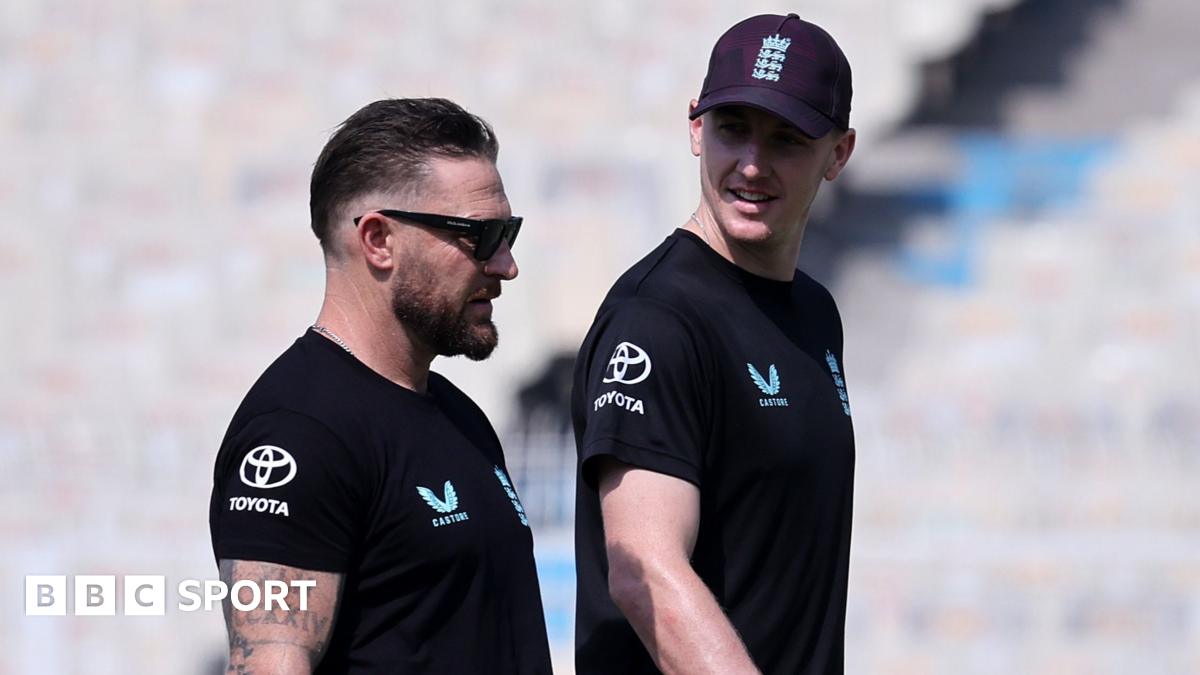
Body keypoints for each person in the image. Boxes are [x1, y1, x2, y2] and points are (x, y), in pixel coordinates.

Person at [209, 98, 552, 674]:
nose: (506, 265)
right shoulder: (299, 434)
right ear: (378, 240)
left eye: (509, 233)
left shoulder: (458, 417)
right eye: (483, 235)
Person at [572, 14, 857, 674]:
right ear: (696, 128)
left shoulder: (815, 312)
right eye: (733, 128)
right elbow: (644, 570)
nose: (752, 164)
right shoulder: (656, 320)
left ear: (839, 154)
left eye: (786, 139)